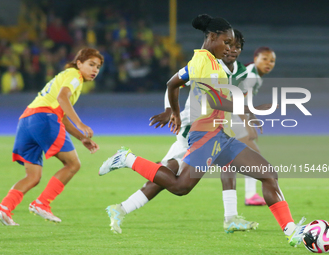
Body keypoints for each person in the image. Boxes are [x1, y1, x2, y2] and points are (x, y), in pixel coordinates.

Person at [99, 14, 305, 247]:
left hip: (221, 135)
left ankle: (291, 230)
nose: (229, 48)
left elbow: (173, 84)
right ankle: (127, 158)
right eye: (226, 43)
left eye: (232, 45)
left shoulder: (214, 63)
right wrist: (252, 108)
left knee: (268, 174)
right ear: (213, 37)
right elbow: (208, 98)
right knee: (179, 186)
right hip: (203, 134)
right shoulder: (202, 62)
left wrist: (174, 111)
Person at [100, 29, 259, 235]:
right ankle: (126, 169)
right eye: (228, 44)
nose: (232, 49)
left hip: (217, 130)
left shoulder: (241, 74)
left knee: (185, 171)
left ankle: (230, 218)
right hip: (193, 128)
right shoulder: (206, 63)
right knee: (175, 179)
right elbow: (174, 82)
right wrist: (170, 110)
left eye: (237, 46)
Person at [0, 48, 103, 226]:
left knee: (33, 176)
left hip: (27, 119)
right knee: (73, 164)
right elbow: (62, 98)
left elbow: (61, 114)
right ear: (79, 63)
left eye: (98, 67)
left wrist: (81, 137)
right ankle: (42, 203)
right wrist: (80, 124)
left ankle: (4, 207)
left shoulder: (63, 75)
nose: (95, 70)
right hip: (44, 118)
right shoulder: (74, 76)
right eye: (91, 64)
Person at [219, 45, 276, 206]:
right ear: (255, 58)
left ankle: (166, 166)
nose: (269, 63)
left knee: (231, 158)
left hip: (229, 115)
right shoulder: (251, 76)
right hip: (230, 116)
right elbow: (237, 99)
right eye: (264, 59)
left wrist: (252, 118)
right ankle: (250, 195)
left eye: (272, 60)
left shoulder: (254, 74)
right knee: (252, 154)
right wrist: (247, 124)